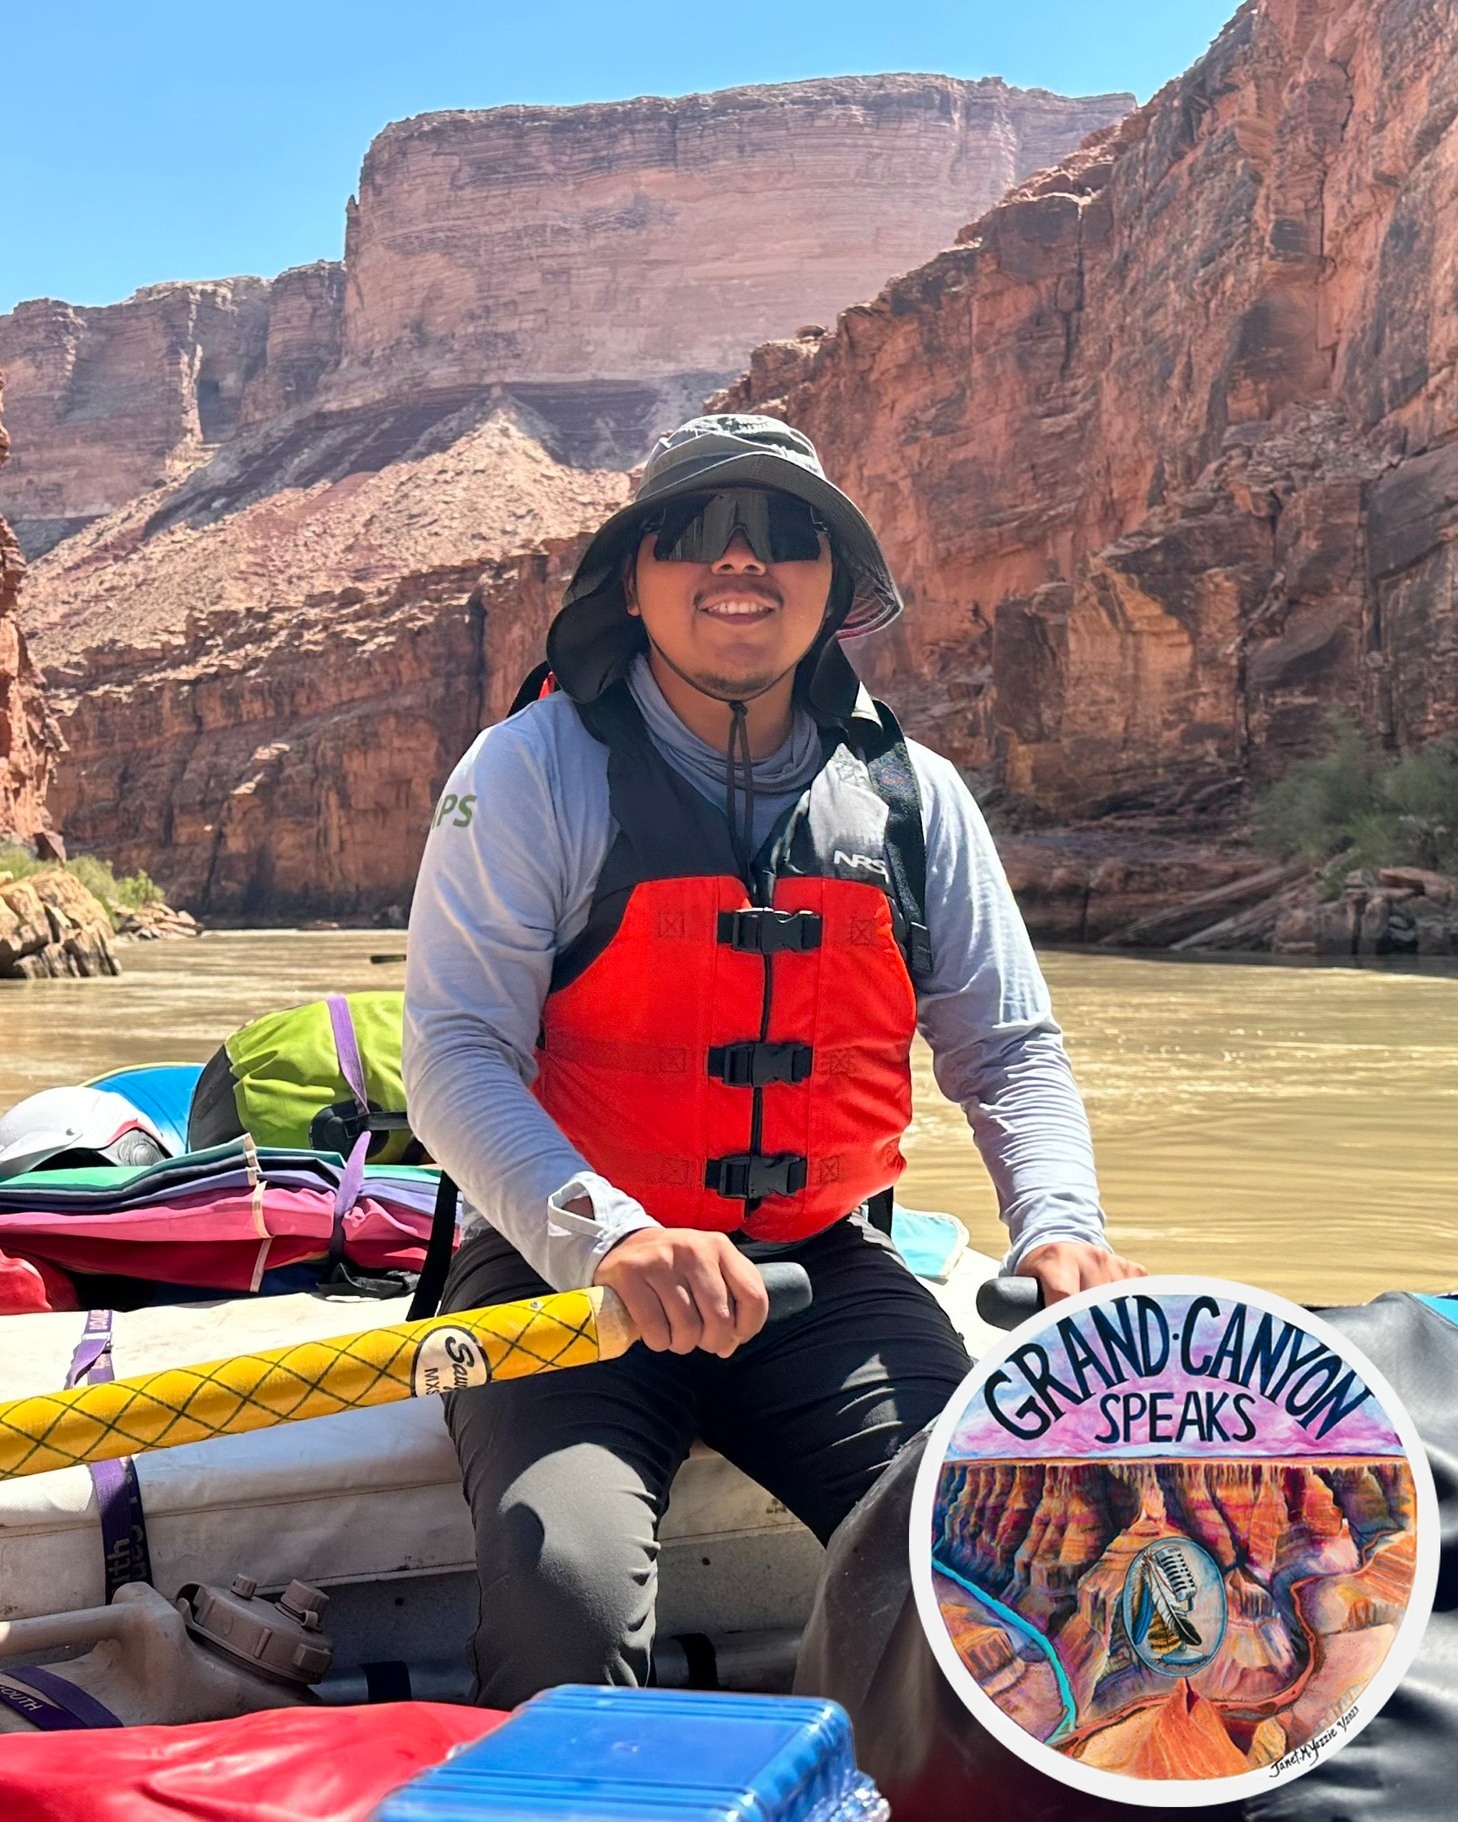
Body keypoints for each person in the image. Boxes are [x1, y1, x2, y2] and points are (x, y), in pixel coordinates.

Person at [403, 413, 1144, 1706]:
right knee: (562, 1591)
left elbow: (1008, 1050)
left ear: (831, 582)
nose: (738, 562)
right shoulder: (526, 771)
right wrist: (614, 1236)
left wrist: (1059, 1227)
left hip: (822, 1276)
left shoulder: (915, 799)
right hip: (563, 1276)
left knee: (1009, 1575)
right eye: (694, 531)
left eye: (782, 533)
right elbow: (455, 1055)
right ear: (631, 578)